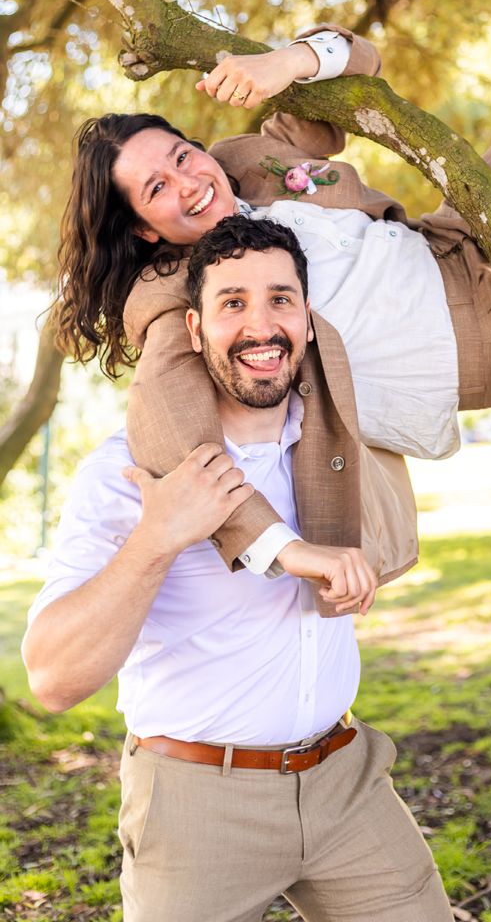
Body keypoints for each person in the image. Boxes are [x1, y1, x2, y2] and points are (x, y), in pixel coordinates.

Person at [55, 0, 491, 583]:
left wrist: (285, 63)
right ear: (143, 230)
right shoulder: (178, 298)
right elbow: (173, 434)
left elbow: (357, 67)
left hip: (453, 237)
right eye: (157, 190)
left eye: (179, 156)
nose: (188, 182)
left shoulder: (245, 165)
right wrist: (279, 548)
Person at [23, 215, 453, 922]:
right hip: (198, 806)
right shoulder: (127, 474)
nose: (262, 325)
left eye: (281, 299)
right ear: (193, 331)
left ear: (309, 322)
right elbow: (52, 678)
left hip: (347, 784)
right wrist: (157, 537)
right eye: (233, 304)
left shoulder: (340, 449)